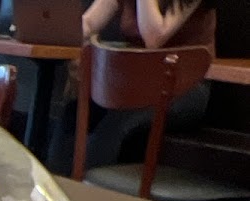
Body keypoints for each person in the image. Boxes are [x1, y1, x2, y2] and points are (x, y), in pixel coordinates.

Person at [47, 0, 217, 175]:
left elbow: (154, 36)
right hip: (138, 85)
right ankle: (55, 185)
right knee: (74, 113)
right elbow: (89, 22)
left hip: (186, 86)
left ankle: (91, 188)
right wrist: (51, 33)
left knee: (115, 123)